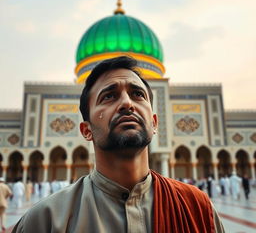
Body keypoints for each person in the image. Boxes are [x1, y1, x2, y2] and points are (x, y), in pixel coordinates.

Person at [12, 56, 225, 232]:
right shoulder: (46, 221)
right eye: (109, 96)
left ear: (154, 122)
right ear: (86, 130)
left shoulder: (197, 209)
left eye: (137, 94)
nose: (126, 103)